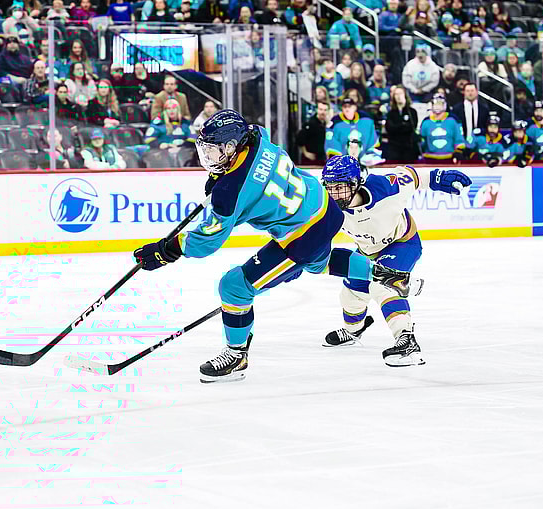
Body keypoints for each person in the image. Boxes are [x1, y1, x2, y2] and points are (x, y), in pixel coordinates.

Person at [132, 110, 421, 382]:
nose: (209, 157)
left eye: (215, 151)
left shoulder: (230, 193)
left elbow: (206, 241)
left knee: (234, 287)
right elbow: (252, 144)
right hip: (323, 206)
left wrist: (165, 250)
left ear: (233, 146)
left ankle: (235, 356)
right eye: (207, 150)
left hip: (301, 236)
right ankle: (384, 273)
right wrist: (220, 174)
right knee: (319, 263)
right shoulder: (258, 138)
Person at [321, 156, 471, 366]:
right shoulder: (326, 207)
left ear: (356, 184)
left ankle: (407, 341)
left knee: (383, 286)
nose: (334, 194)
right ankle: (354, 331)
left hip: (402, 243)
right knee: (351, 294)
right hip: (367, 251)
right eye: (330, 187)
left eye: (340, 187)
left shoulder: (386, 188)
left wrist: (439, 177)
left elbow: (412, 175)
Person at [325, 97, 382, 166]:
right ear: (342, 109)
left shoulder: (367, 120)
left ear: (355, 107)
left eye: (350, 106)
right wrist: (339, 161)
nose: (347, 109)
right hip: (343, 164)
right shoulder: (334, 123)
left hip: (366, 162)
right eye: (345, 107)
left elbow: (373, 140)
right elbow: (331, 142)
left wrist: (369, 157)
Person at [420, 93, 465, 162]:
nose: (437, 106)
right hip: (429, 159)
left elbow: (459, 138)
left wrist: (458, 151)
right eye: (435, 104)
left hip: (449, 158)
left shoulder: (453, 120)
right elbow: (422, 141)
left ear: (445, 105)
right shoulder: (426, 122)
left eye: (440, 104)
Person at [384, 86, 419, 162]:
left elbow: (411, 127)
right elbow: (389, 128)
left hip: (409, 147)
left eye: (400, 93)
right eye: (396, 94)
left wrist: (398, 126)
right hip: (394, 147)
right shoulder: (391, 113)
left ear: (405, 95)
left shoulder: (412, 112)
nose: (398, 96)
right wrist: (403, 125)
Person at [296, 100, 329, 165]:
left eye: (325, 110)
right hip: (310, 160)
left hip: (322, 159)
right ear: (317, 110)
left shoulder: (326, 124)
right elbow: (299, 138)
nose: (323, 112)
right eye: (321, 109)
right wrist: (305, 153)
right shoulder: (310, 124)